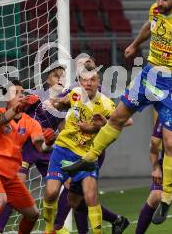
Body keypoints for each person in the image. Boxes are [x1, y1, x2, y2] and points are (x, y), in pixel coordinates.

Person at [62, 0, 172, 224]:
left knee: (170, 142)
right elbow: (150, 26)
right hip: (149, 75)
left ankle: (167, 197)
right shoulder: (155, 9)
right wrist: (134, 44)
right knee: (117, 116)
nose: (159, 2)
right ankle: (89, 157)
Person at [42, 66, 131, 234]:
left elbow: (127, 121)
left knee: (90, 197)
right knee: (52, 192)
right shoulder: (75, 93)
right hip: (63, 149)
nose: (88, 83)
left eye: (92, 80)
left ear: (99, 82)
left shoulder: (105, 103)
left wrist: (100, 125)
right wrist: (54, 103)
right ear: (80, 81)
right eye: (84, 80)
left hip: (87, 155)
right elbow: (63, 103)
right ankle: (50, 229)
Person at [0, 80, 45, 234]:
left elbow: (41, 147)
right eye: (16, 93)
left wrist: (49, 142)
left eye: (22, 93)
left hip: (10, 176)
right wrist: (15, 109)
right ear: (6, 98)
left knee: (33, 214)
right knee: (0, 198)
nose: (21, 96)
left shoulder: (31, 123)